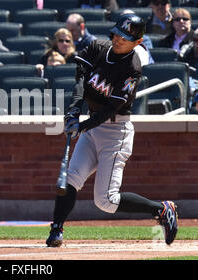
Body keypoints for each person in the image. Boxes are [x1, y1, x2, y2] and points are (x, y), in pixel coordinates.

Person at [45, 13, 178, 248]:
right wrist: (74, 110)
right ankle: (56, 229)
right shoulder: (97, 46)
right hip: (92, 127)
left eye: (126, 38)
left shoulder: (132, 69)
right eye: (118, 34)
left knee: (106, 200)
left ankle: (161, 209)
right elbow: (80, 80)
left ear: (137, 42)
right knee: (71, 178)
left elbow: (110, 109)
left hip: (116, 131)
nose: (118, 40)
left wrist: (82, 126)